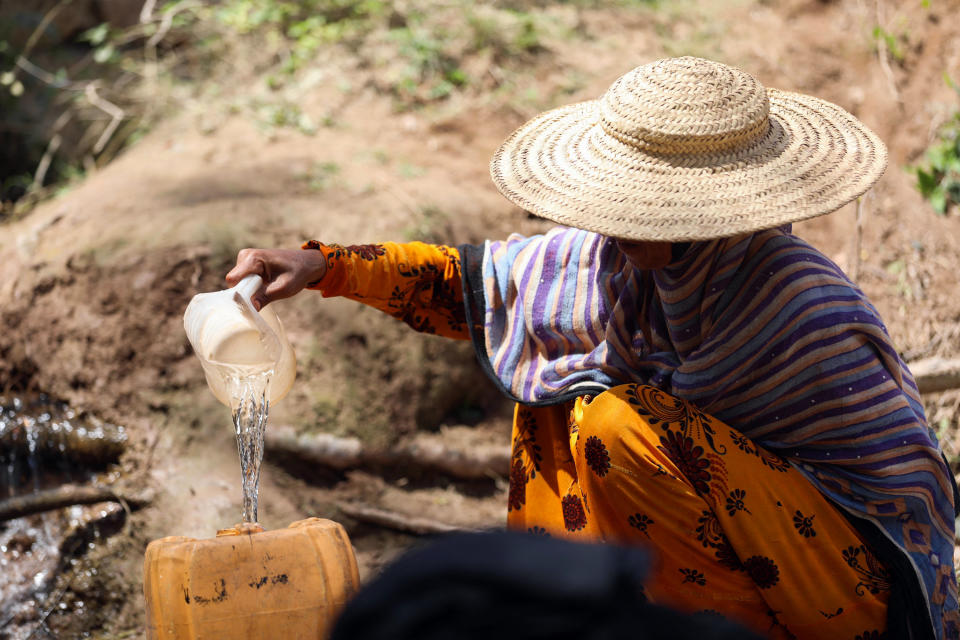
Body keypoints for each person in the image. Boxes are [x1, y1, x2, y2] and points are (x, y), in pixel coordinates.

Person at [226, 57, 959, 639]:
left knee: (615, 425)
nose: (609, 225)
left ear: (705, 217)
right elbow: (471, 285)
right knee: (555, 390)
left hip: (848, 588)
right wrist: (325, 267)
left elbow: (902, 495)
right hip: (722, 556)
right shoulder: (606, 265)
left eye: (632, 208)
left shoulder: (796, 304)